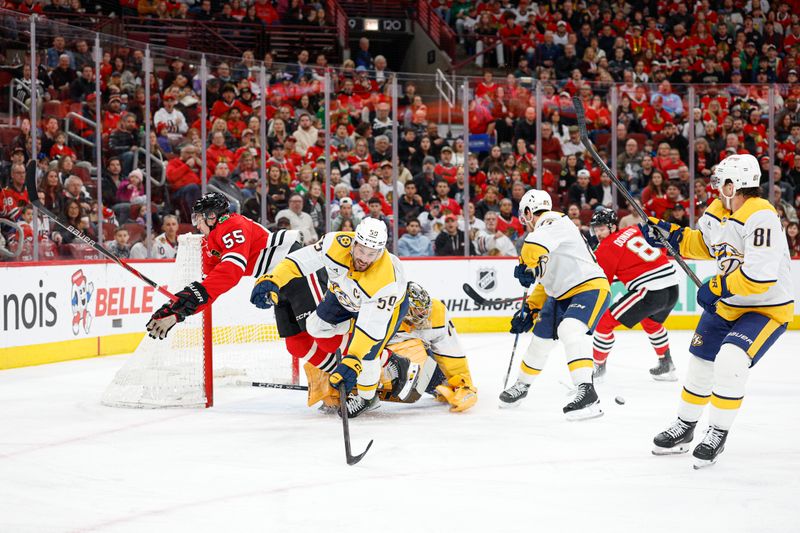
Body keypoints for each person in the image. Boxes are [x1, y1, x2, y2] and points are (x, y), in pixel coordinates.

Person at [642, 154, 794, 468]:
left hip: (766, 310)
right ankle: (685, 426)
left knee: (730, 361)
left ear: (735, 183)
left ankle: (718, 431)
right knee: (700, 363)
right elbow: (705, 244)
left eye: (721, 180)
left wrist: (717, 286)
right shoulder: (718, 211)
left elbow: (760, 278)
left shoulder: (761, 216)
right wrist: (669, 234)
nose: (715, 186)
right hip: (729, 305)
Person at [250, 218, 408, 418]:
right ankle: (379, 359)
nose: (364, 259)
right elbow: (300, 261)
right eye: (361, 250)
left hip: (383, 310)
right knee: (315, 326)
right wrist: (274, 279)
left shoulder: (385, 281)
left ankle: (368, 398)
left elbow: (369, 329)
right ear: (354, 242)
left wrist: (353, 360)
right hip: (343, 296)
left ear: (381, 251)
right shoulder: (335, 243)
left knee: (368, 357)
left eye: (372, 254)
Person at [499, 190, 610, 420]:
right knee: (540, 340)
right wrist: (530, 309)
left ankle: (587, 392)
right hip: (560, 294)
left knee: (570, 329)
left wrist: (527, 265)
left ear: (529, 212)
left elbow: (531, 250)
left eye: (525, 215)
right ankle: (522, 386)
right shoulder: (549, 238)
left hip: (589, 287)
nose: (525, 221)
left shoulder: (552, 221)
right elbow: (544, 280)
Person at [145, 192, 303, 340]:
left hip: (294, 265)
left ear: (212, 216)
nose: (197, 226)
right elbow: (209, 290)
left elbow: (231, 270)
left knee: (317, 328)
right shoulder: (208, 245)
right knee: (297, 344)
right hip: (274, 280)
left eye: (198, 219)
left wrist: (193, 296)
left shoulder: (233, 224)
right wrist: (176, 311)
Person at [589, 208, 679, 382]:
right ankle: (666, 364)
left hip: (651, 291)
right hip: (672, 286)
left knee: (603, 323)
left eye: (602, 228)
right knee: (651, 322)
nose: (598, 233)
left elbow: (602, 282)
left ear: (613, 227)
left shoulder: (605, 247)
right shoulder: (635, 229)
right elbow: (659, 247)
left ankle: (597, 369)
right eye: (596, 229)